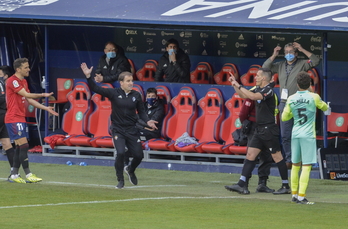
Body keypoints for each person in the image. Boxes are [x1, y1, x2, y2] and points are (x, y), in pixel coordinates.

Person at [81, 63, 158, 189]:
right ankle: (120, 180)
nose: (131, 83)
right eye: (128, 81)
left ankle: (130, 169)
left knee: (139, 155)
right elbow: (96, 88)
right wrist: (89, 76)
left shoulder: (136, 95)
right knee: (121, 153)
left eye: (131, 80)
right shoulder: (113, 93)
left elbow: (142, 113)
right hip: (118, 130)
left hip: (132, 130)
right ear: (121, 82)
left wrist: (148, 121)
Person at [225, 68, 290, 195]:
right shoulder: (257, 89)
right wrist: (234, 84)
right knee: (250, 155)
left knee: (277, 157)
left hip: (269, 130)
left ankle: (285, 185)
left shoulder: (269, 90)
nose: (256, 77)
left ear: (264, 78)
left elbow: (253, 96)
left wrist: (239, 84)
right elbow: (244, 95)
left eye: (258, 76)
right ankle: (242, 184)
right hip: (259, 130)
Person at [262, 42, 320, 169]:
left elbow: (315, 61)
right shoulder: (280, 65)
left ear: (296, 53)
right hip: (284, 103)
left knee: (300, 134)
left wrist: (302, 48)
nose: (288, 54)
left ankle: (302, 159)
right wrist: (274, 54)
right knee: (285, 134)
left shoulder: (302, 64)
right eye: (286, 52)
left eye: (291, 52)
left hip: (299, 103)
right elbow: (265, 67)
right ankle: (289, 160)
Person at [6, 58, 58, 183]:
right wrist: (42, 94)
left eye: (28, 66)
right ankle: (28, 174)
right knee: (24, 145)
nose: (29, 69)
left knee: (20, 146)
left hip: (20, 117)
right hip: (13, 117)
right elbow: (28, 95)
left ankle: (14, 174)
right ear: (18, 69)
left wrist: (46, 108)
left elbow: (29, 100)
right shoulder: (12, 81)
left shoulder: (23, 81)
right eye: (26, 67)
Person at [282, 72, 328, 204]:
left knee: (295, 165)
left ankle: (294, 195)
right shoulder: (314, 97)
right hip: (308, 136)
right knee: (306, 166)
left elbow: (285, 118)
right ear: (310, 84)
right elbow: (325, 108)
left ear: (297, 84)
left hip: (295, 134)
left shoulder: (291, 98)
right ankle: (302, 197)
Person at [239, 97, 275, 193]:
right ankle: (244, 183)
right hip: (254, 126)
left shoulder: (271, 94)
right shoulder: (253, 94)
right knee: (251, 156)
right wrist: (246, 123)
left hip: (267, 127)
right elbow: (243, 113)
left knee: (266, 156)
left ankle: (262, 184)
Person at [0, 65, 16, 177]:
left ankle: (14, 171)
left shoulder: (4, 84)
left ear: (6, 75)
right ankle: (14, 172)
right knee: (6, 143)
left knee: (7, 143)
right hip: (4, 116)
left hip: (2, 115)